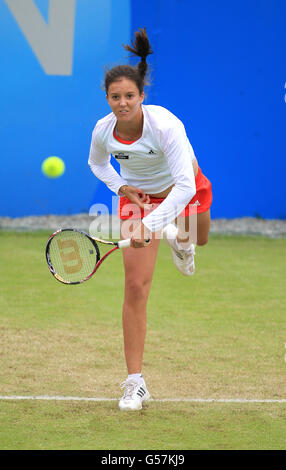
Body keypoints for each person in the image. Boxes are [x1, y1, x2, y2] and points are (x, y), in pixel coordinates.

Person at [88, 28, 212, 411]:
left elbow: (185, 185)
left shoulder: (166, 126)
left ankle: (182, 239)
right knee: (136, 288)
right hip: (138, 200)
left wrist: (153, 225)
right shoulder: (103, 131)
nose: (122, 103)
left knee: (200, 238)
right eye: (115, 97)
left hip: (183, 188)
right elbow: (97, 164)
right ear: (107, 99)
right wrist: (124, 190)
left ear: (142, 96)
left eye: (129, 96)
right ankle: (135, 383)